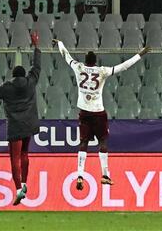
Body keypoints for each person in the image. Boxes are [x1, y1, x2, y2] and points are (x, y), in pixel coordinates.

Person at [54, 39, 151, 190]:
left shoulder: (78, 67)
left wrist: (60, 42)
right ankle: (105, 175)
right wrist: (140, 54)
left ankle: (80, 175)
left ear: (85, 61)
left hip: (84, 112)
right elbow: (123, 67)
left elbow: (66, 56)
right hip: (98, 112)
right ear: (95, 62)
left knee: (83, 143)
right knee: (103, 141)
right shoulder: (102, 71)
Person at [0, 32, 41, 205]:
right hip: (29, 125)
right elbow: (37, 66)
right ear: (24, 75)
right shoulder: (31, 82)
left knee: (14, 158)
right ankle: (25, 183)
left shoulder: (6, 88)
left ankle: (18, 189)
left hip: (15, 127)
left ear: (13, 75)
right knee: (26, 154)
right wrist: (36, 46)